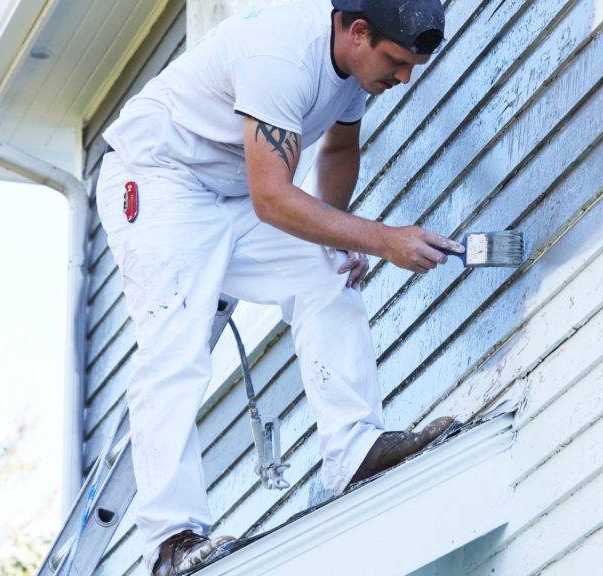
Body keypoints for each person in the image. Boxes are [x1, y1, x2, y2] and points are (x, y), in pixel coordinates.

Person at [95, 0, 459, 573]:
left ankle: (354, 450)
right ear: (358, 32)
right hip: (158, 178)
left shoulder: (356, 68)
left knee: (326, 271)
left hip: (231, 193)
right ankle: (172, 541)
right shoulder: (283, 53)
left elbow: (338, 148)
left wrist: (340, 236)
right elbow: (273, 198)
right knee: (176, 346)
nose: (404, 77)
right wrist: (380, 238)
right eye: (396, 61)